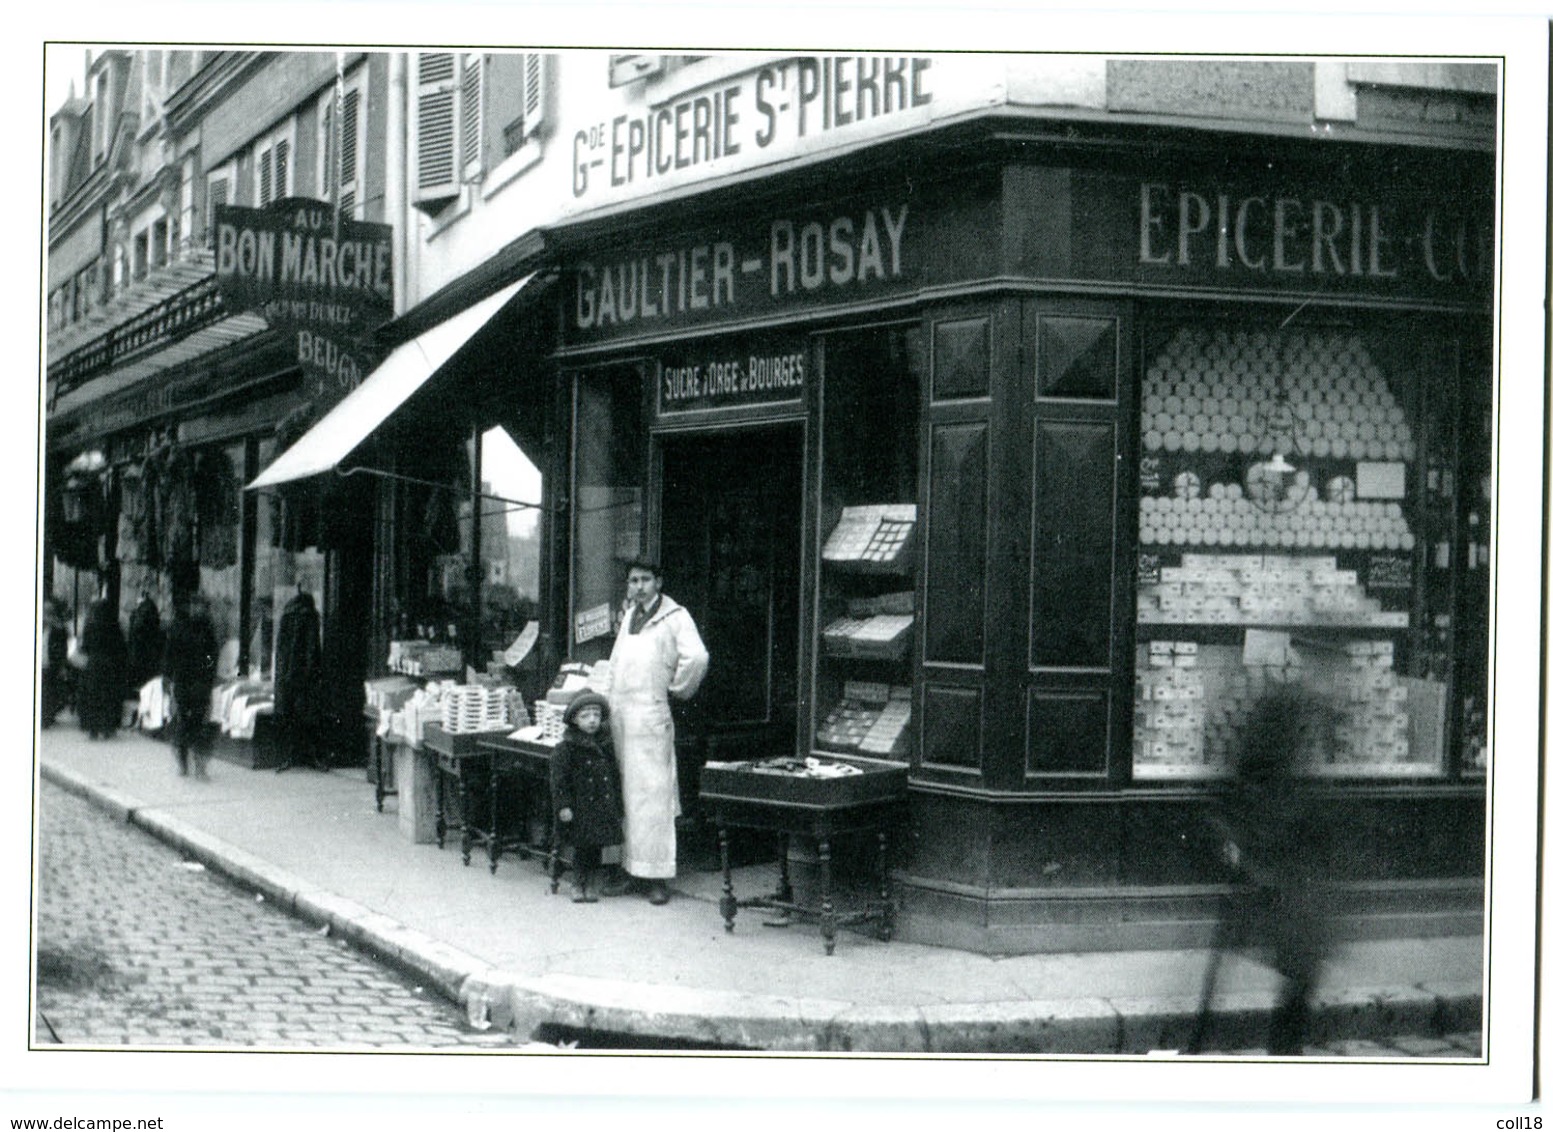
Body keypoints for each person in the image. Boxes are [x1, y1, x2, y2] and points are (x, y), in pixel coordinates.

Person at [1189, 686, 1336, 1056]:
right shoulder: (1275, 777)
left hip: (1272, 888)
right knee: (1293, 975)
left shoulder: (1276, 773)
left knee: (1276, 977)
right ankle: (1278, 1053)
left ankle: (1215, 1048)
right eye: (1303, 731)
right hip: (1275, 889)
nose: (1309, 740)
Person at [600, 560, 709, 906]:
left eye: (646, 579)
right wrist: (605, 704)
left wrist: (677, 689)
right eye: (634, 580)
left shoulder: (675, 616)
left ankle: (656, 876)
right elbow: (615, 663)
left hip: (650, 715)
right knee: (625, 795)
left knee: (654, 796)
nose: (640, 586)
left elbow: (697, 658)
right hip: (621, 715)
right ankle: (629, 870)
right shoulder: (630, 617)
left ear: (658, 582)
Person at [549, 691, 624, 903]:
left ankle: (591, 884)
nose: (592, 720)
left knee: (597, 847)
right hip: (579, 808)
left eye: (596, 715)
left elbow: (613, 777)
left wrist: (617, 805)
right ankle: (578, 882)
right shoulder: (566, 749)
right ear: (574, 719)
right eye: (585, 716)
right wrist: (563, 806)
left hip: (600, 807)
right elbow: (559, 781)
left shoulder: (604, 746)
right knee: (582, 848)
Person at [162, 592, 219, 779]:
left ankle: (197, 766)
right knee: (186, 721)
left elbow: (212, 655)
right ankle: (185, 763)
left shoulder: (205, 629)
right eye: (196, 606)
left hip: (198, 682)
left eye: (201, 607)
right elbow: (170, 654)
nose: (198, 610)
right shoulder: (183, 627)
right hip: (186, 681)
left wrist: (209, 674)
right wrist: (169, 677)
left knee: (196, 722)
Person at [274, 589, 326, 772]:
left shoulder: (286, 617)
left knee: (291, 716)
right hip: (305, 676)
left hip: (288, 676)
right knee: (308, 716)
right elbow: (312, 650)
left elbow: (281, 651)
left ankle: (291, 754)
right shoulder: (310, 617)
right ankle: (309, 755)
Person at [76, 595, 128, 740]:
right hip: (110, 666)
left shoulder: (90, 626)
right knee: (108, 697)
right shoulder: (114, 627)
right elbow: (122, 648)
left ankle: (93, 728)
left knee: (93, 697)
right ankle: (107, 727)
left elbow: (85, 647)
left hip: (93, 665)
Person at [40, 599, 71, 729]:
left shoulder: (59, 629)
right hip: (43, 663)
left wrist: (62, 665)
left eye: (49, 613)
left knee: (49, 691)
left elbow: (64, 648)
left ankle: (47, 717)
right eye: (45, 612)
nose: (46, 616)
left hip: (51, 663)